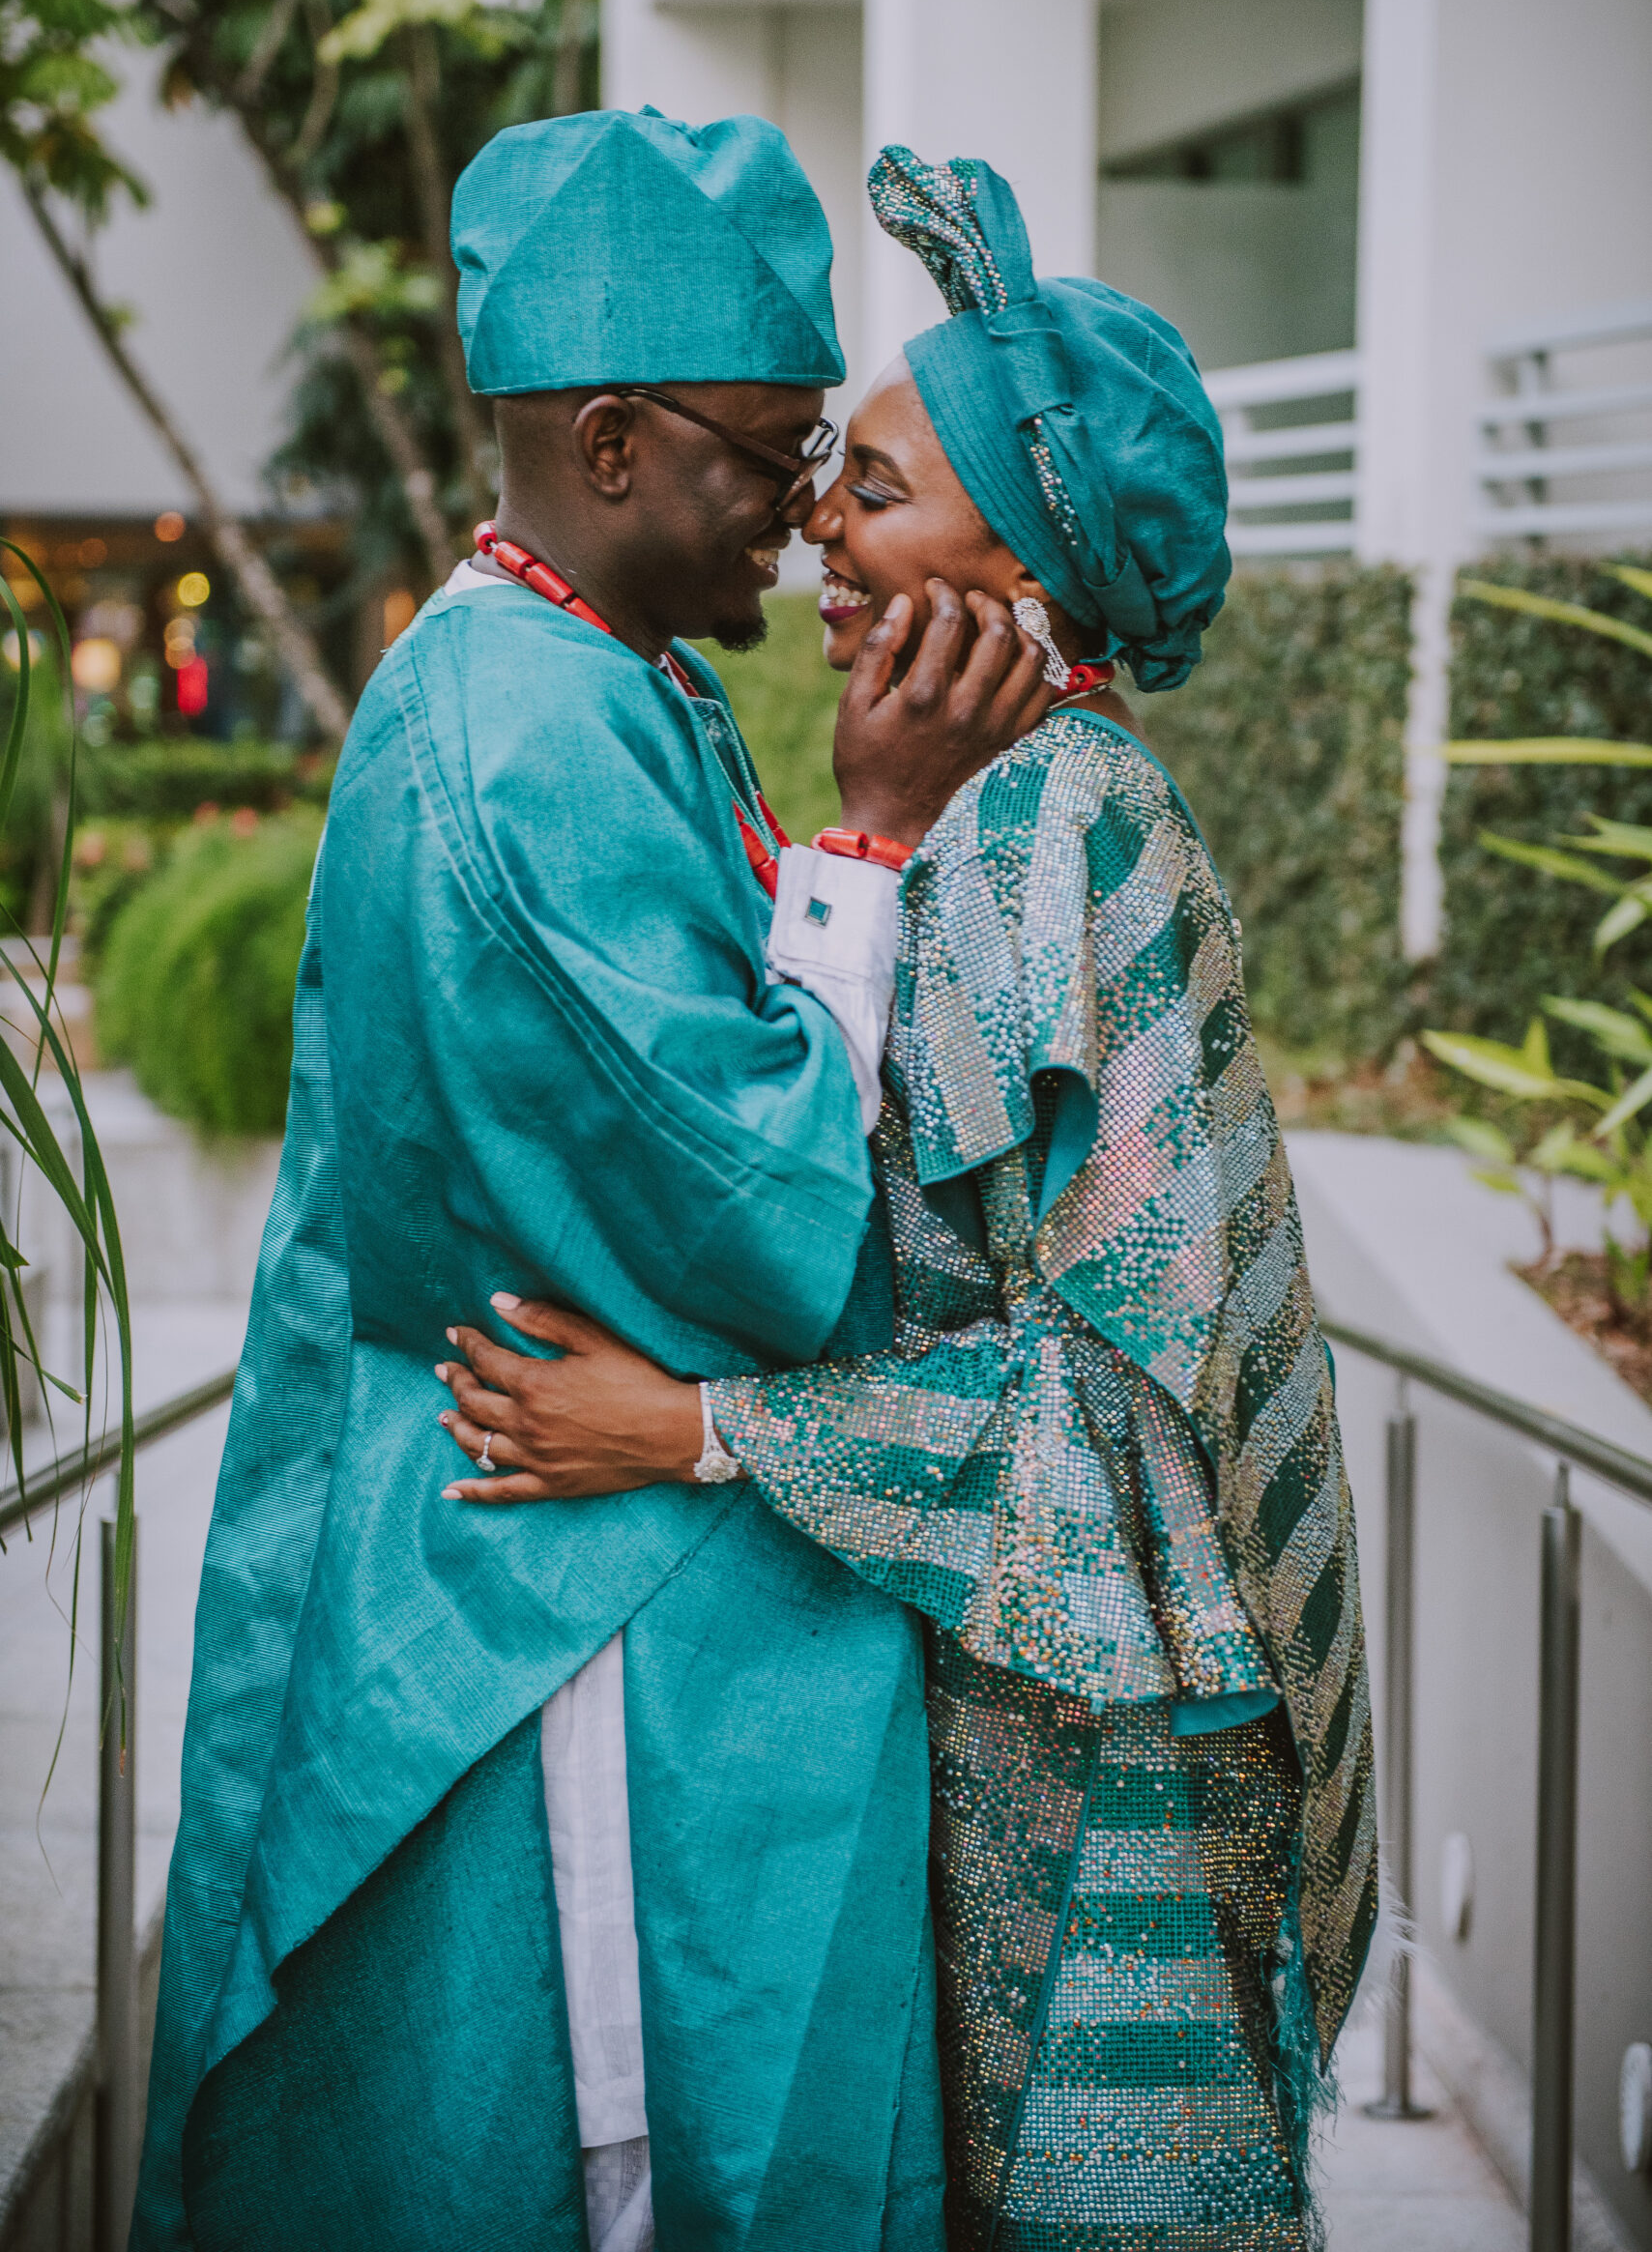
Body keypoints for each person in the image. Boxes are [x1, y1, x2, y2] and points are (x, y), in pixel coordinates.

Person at [438, 148, 1377, 2251]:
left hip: (1124, 1755)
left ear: (1029, 562)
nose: (814, 529)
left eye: (869, 485)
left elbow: (1114, 1413)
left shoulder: (1067, 828)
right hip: (1029, 1704)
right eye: (814, 476)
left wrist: (694, 1428)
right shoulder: (990, 814)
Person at [132, 110, 1051, 2252]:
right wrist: (882, 833)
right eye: (771, 449)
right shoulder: (526, 726)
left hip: (588, 1545)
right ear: (616, 442)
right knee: (605, 2147)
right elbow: (745, 1207)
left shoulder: (599, 667)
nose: (808, 509)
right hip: (554, 1593)